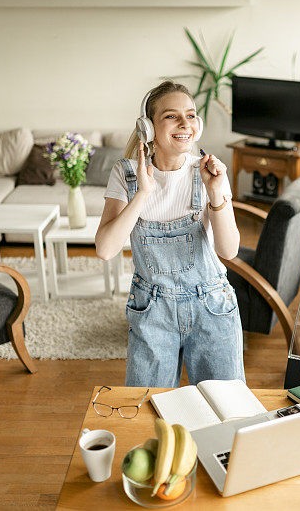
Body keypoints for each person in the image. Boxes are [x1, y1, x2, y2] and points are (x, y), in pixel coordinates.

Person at [95, 80, 245, 388]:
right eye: (171, 116)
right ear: (148, 128)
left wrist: (216, 193)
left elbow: (229, 251)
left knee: (224, 410)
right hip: (152, 312)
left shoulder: (210, 173)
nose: (184, 124)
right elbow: (105, 249)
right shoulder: (125, 173)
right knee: (148, 409)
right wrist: (143, 193)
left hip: (212, 307)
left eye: (190, 116)